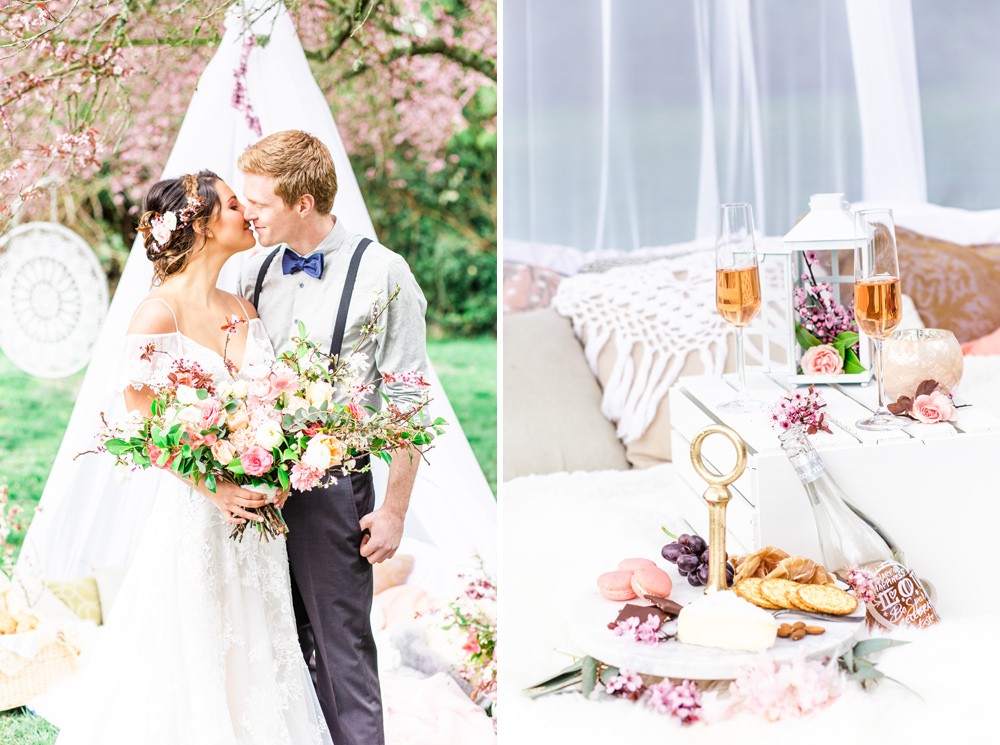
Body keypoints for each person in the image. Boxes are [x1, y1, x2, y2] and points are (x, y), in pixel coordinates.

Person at [53, 171, 332, 745]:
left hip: (260, 517)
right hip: (200, 517)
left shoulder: (245, 310)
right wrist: (217, 489)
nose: (247, 213)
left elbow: (275, 404)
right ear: (201, 224)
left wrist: (278, 473)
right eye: (234, 204)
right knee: (195, 647)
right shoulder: (157, 315)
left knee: (259, 645)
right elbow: (145, 428)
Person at [237, 129, 428, 745]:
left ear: (302, 203)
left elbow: (408, 406)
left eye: (259, 202)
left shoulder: (385, 274)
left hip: (335, 489)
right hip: (254, 490)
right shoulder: (252, 270)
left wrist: (393, 509)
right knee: (272, 648)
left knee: (340, 652)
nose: (247, 213)